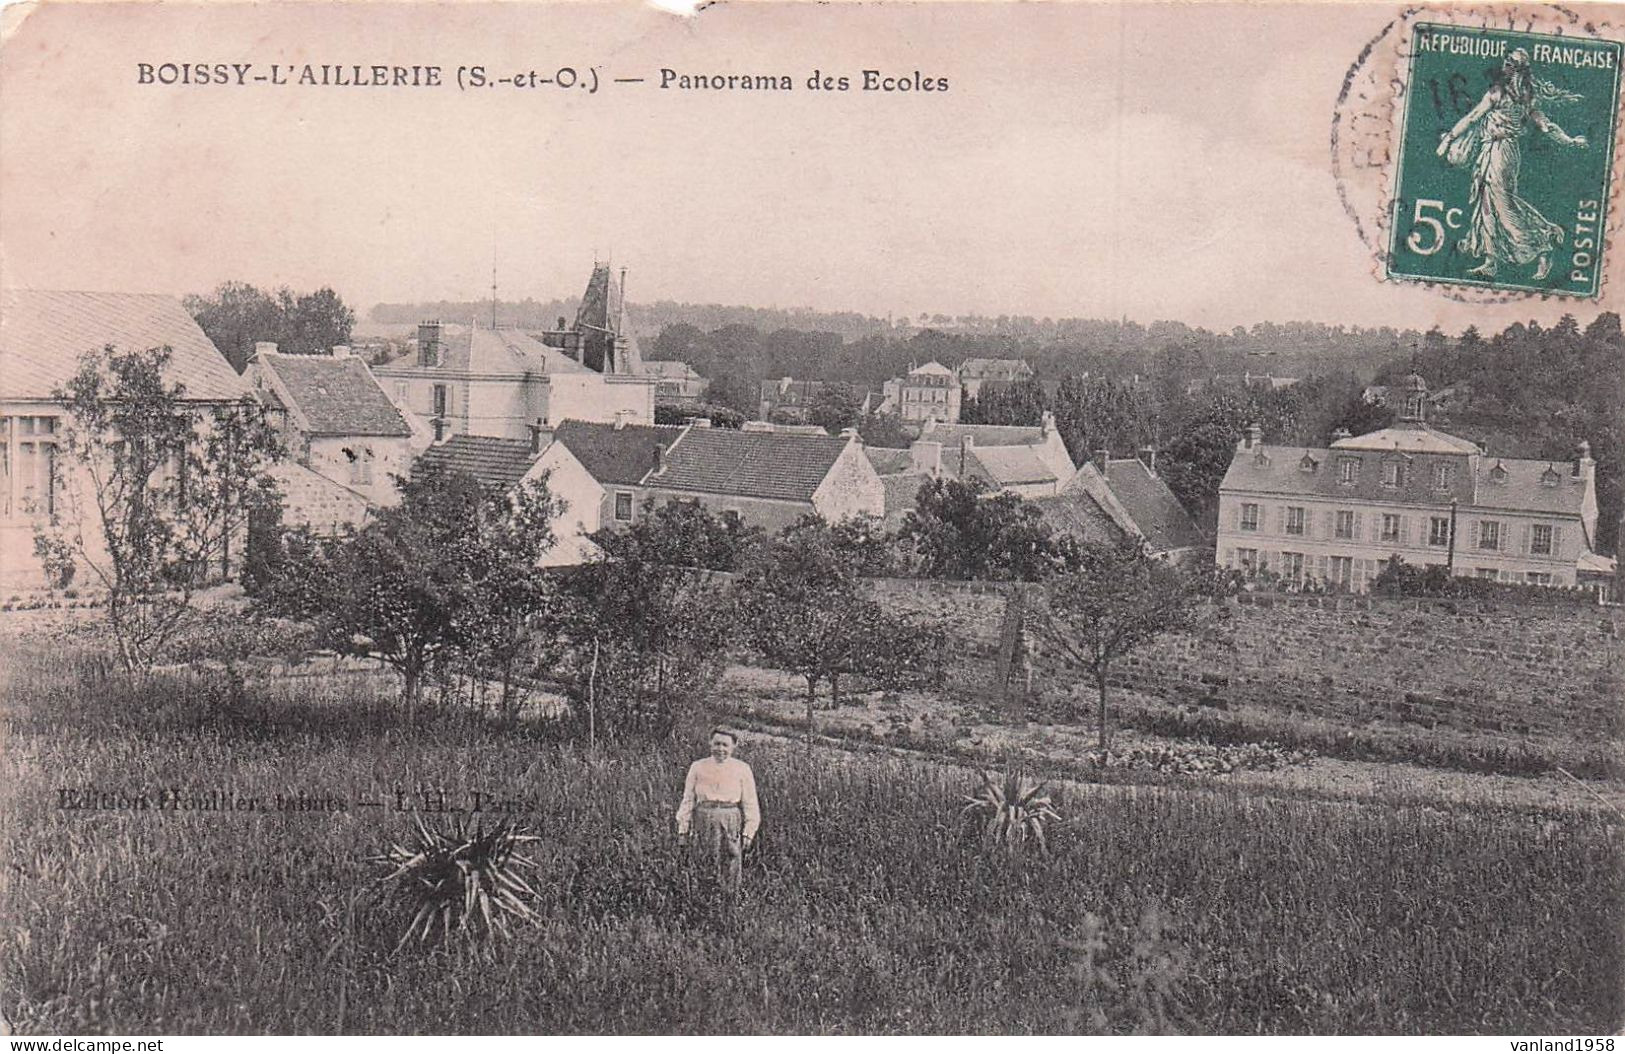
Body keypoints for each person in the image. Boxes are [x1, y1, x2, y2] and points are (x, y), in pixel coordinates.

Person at [1436, 48, 1588, 281]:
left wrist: (1448, 140)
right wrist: (1569, 140)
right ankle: (1491, 261)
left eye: (1509, 62)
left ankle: (1543, 244)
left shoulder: (1505, 94)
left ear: (1517, 68)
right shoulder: (1521, 97)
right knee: (1488, 202)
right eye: (1506, 61)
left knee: (1502, 204)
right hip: (1495, 151)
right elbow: (1545, 126)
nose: (1504, 64)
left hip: (1502, 153)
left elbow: (1473, 117)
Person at [675, 728, 761, 900]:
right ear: (710, 743)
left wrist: (748, 833)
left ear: (733, 746)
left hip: (730, 818)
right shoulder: (698, 767)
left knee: (730, 859)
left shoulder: (742, 769)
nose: (720, 749)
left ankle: (728, 904)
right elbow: (688, 800)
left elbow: (750, 803)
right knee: (703, 859)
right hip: (703, 818)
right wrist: (683, 830)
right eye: (716, 744)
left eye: (725, 745)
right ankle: (702, 902)